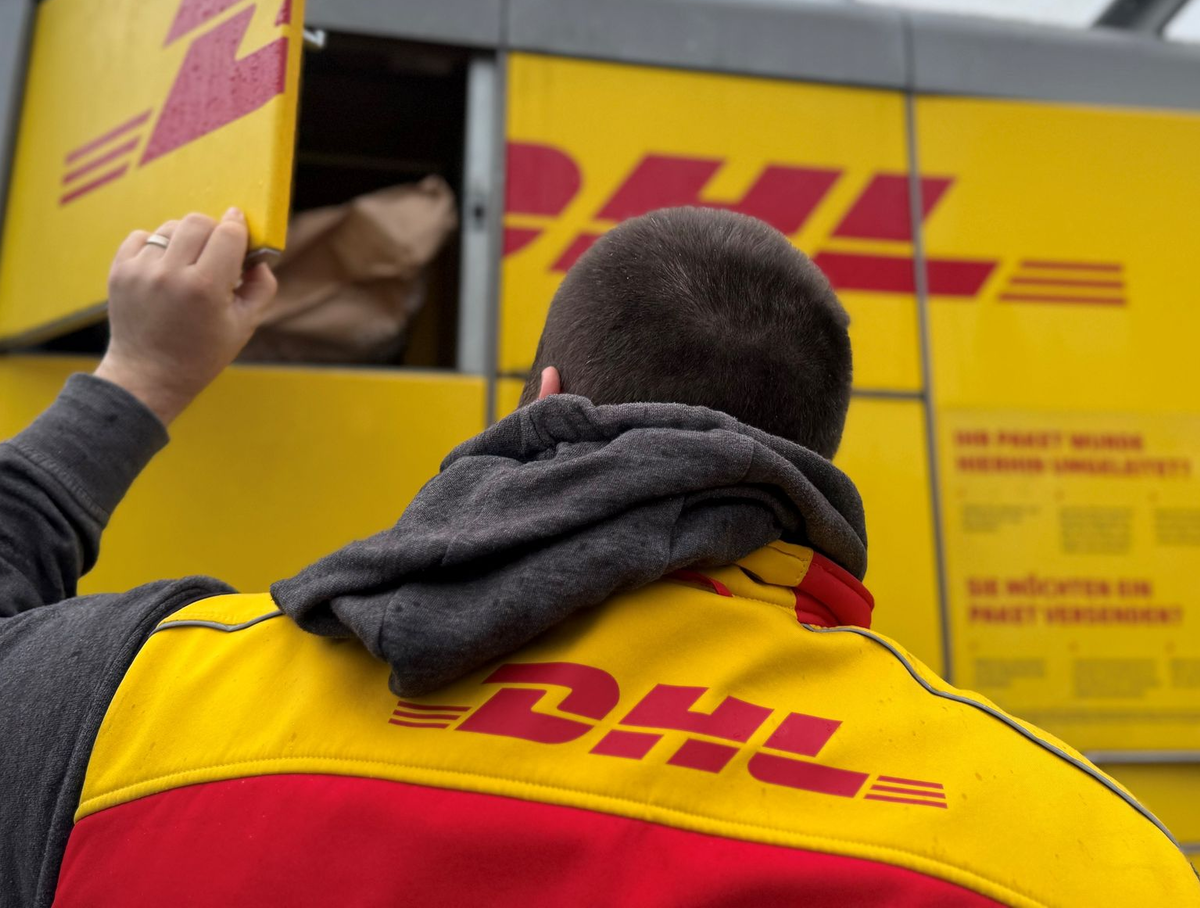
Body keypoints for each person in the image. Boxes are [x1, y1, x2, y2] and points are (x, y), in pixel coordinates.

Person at [0, 206, 1194, 908]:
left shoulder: (135, 708)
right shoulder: (1083, 855)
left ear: (543, 400)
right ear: (808, 460)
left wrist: (141, 376)